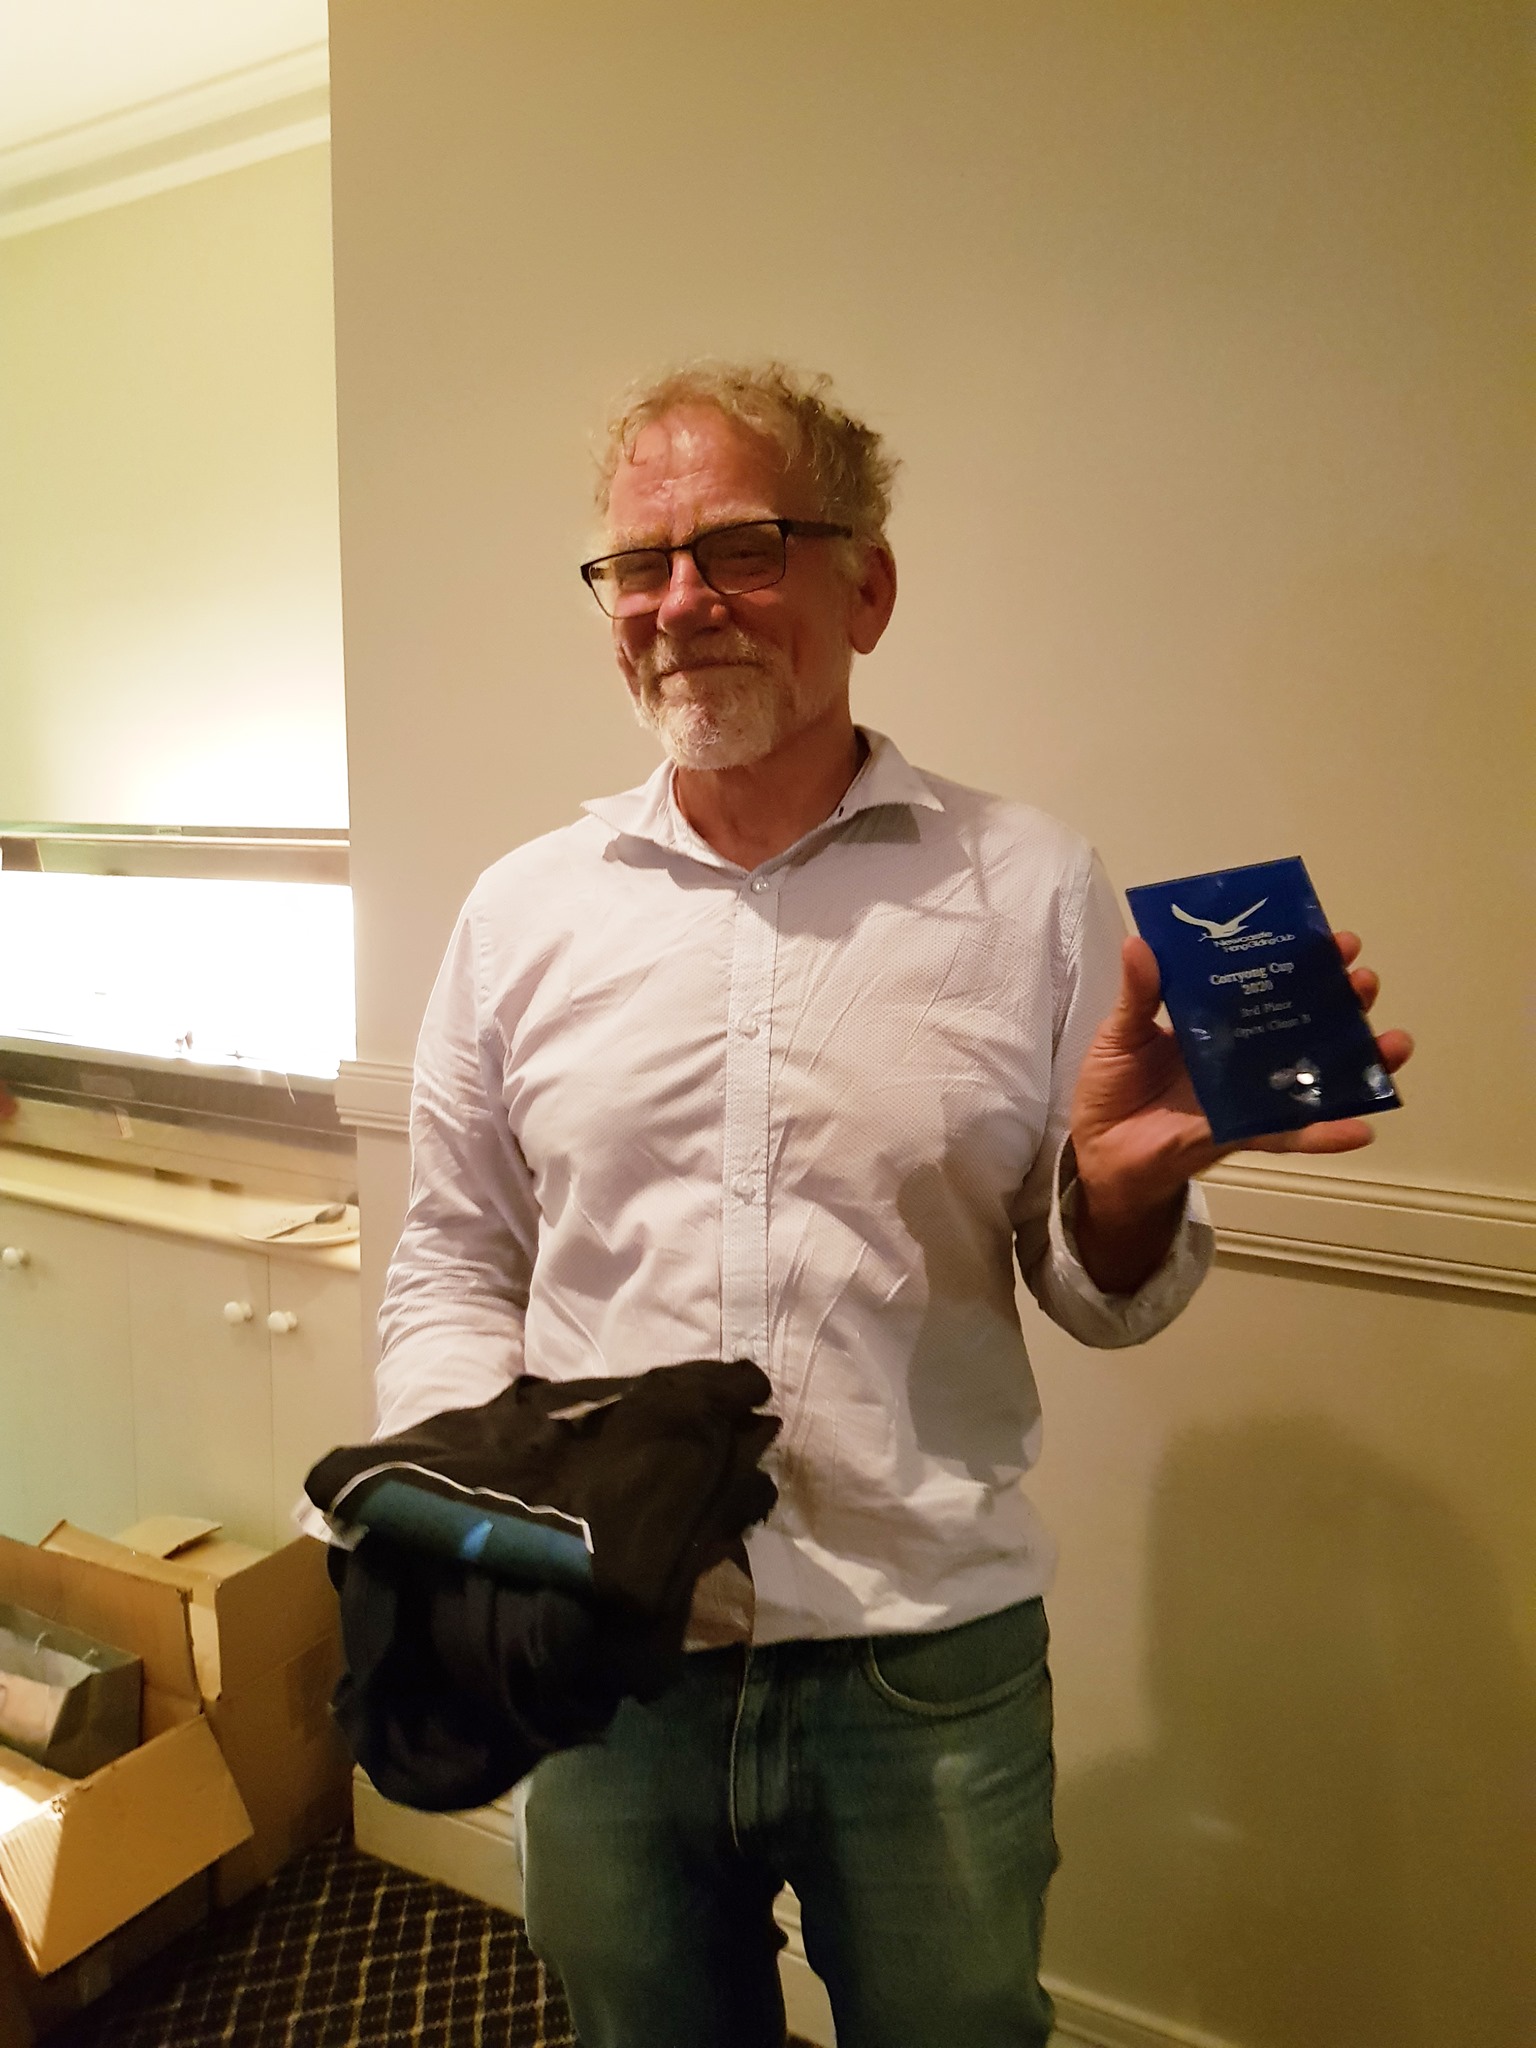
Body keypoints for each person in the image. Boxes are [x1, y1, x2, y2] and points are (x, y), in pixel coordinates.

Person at [373, 363, 1411, 2048]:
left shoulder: (1027, 884)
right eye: (639, 564)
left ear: (867, 586)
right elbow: (453, 1251)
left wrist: (1119, 1203)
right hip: (612, 1656)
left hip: (926, 1660)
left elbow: (1090, 1286)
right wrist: (467, 1525)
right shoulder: (520, 913)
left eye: (742, 547)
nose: (681, 603)